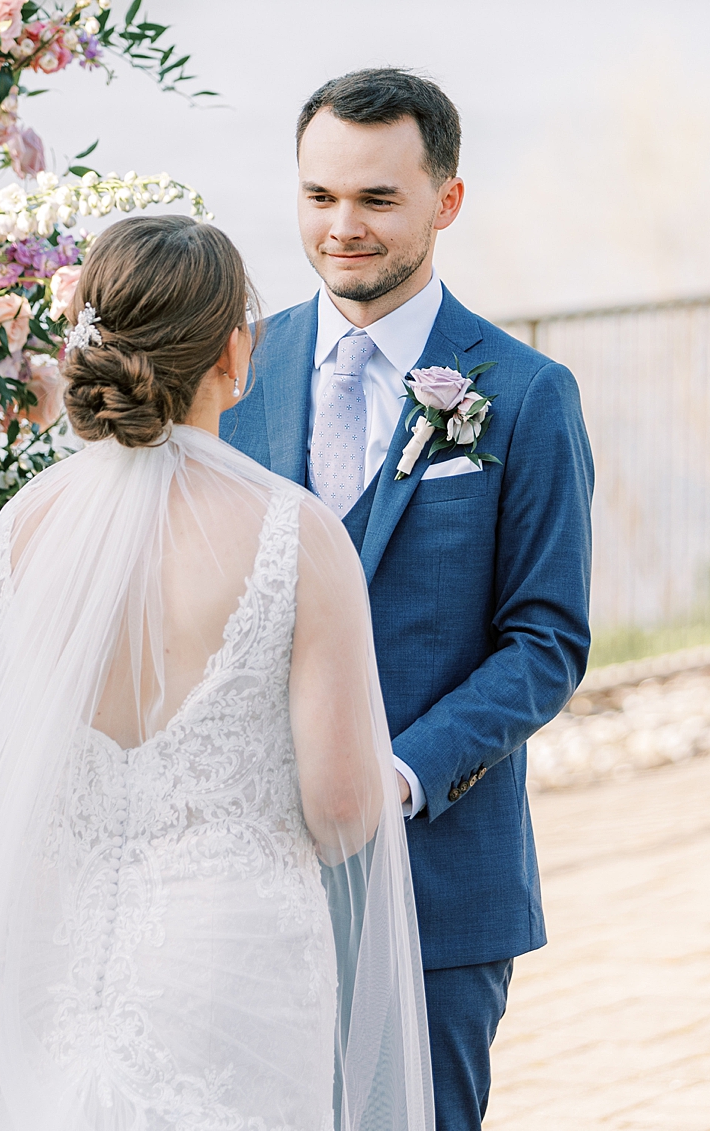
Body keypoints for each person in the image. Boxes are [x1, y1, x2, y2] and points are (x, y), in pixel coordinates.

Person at [0, 216, 433, 1130]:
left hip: (47, 960)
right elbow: (342, 810)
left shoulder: (28, 527)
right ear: (236, 349)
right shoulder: (294, 536)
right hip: (235, 960)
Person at [221, 68, 594, 1131]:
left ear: (445, 201)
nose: (342, 227)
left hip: (437, 884)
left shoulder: (523, 396)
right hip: (250, 881)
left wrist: (395, 775)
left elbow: (544, 642)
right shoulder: (236, 366)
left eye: (376, 200)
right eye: (318, 196)